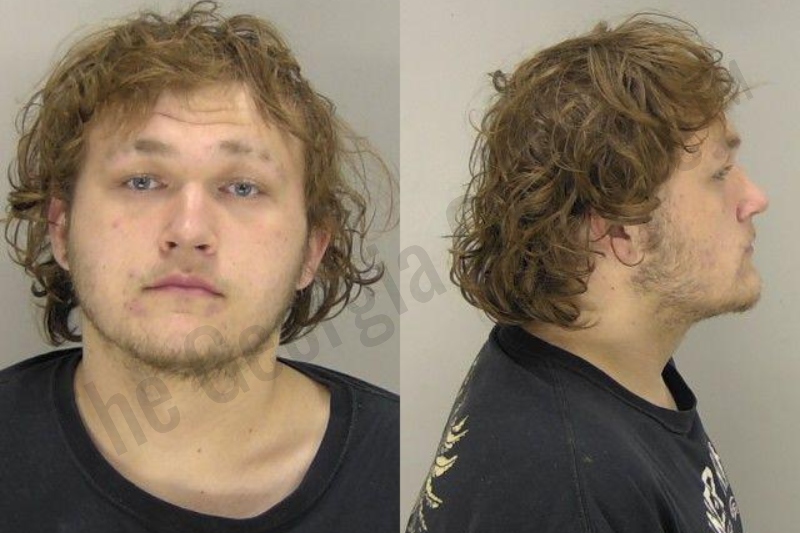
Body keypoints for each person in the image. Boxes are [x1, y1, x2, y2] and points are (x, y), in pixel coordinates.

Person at [1, 2, 397, 531]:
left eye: (243, 187)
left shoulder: (402, 472)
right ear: (61, 228)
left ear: (311, 250)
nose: (188, 231)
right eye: (142, 181)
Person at [407, 13, 767, 533]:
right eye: (720, 173)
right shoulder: (566, 487)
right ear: (621, 229)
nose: (754, 198)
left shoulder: (617, 371)